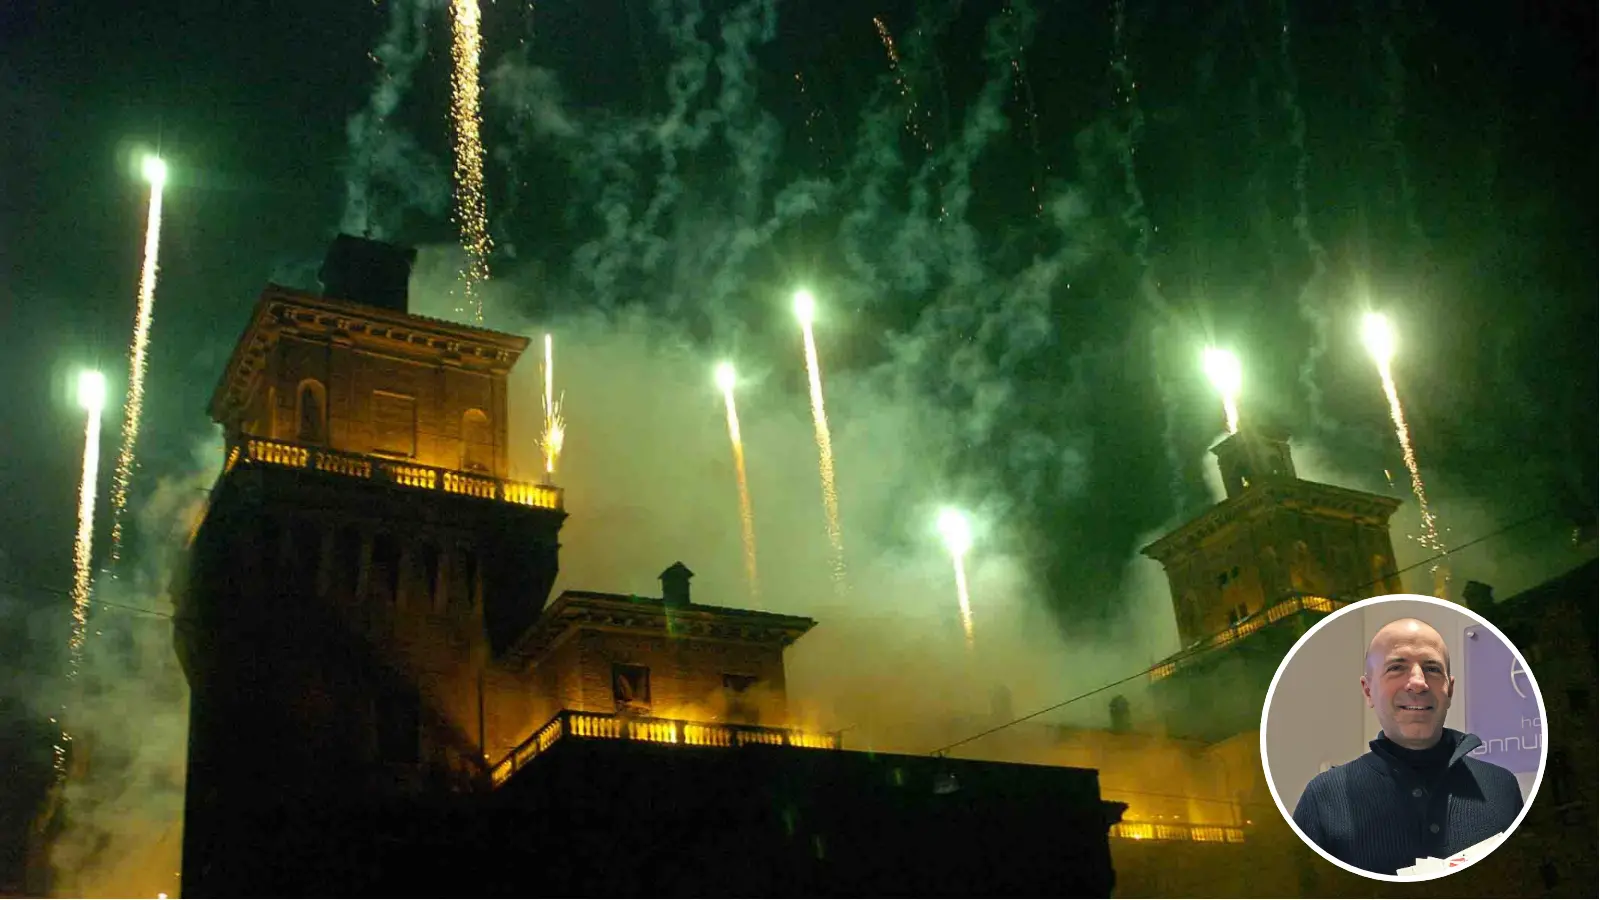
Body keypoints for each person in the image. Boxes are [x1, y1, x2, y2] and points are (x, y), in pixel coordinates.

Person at [1292, 617, 1524, 875]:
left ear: (1450, 689)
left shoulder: (1503, 787)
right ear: (1368, 690)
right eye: (1396, 668)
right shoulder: (1322, 799)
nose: (1418, 682)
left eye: (1432, 668)